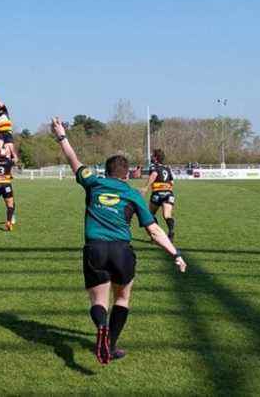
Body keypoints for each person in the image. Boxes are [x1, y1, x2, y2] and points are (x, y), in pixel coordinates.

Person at [50, 117, 186, 365]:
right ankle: (110, 346)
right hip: (122, 252)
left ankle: (101, 326)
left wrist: (61, 136)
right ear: (126, 175)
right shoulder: (132, 194)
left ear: (106, 170)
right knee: (122, 299)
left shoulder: (94, 182)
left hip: (95, 250)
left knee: (99, 301)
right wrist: (175, 254)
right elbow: (154, 231)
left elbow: (74, 161)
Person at [142, 149, 176, 241]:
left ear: (156, 158)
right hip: (169, 193)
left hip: (157, 193)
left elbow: (154, 175)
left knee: (150, 215)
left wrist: (146, 187)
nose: (152, 157)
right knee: (167, 215)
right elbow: (172, 182)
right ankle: (171, 231)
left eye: (153, 155)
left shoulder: (154, 166)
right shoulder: (167, 168)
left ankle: (156, 236)